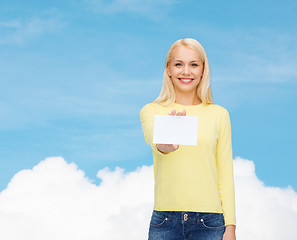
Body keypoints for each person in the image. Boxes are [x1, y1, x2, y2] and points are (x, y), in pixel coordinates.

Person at [140, 38, 236, 240]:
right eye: (178, 64)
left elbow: (225, 174)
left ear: (203, 70)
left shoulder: (219, 115)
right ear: (168, 69)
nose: (186, 71)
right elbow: (155, 140)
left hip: (210, 223)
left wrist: (231, 227)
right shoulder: (152, 111)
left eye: (193, 64)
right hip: (165, 222)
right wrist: (166, 143)